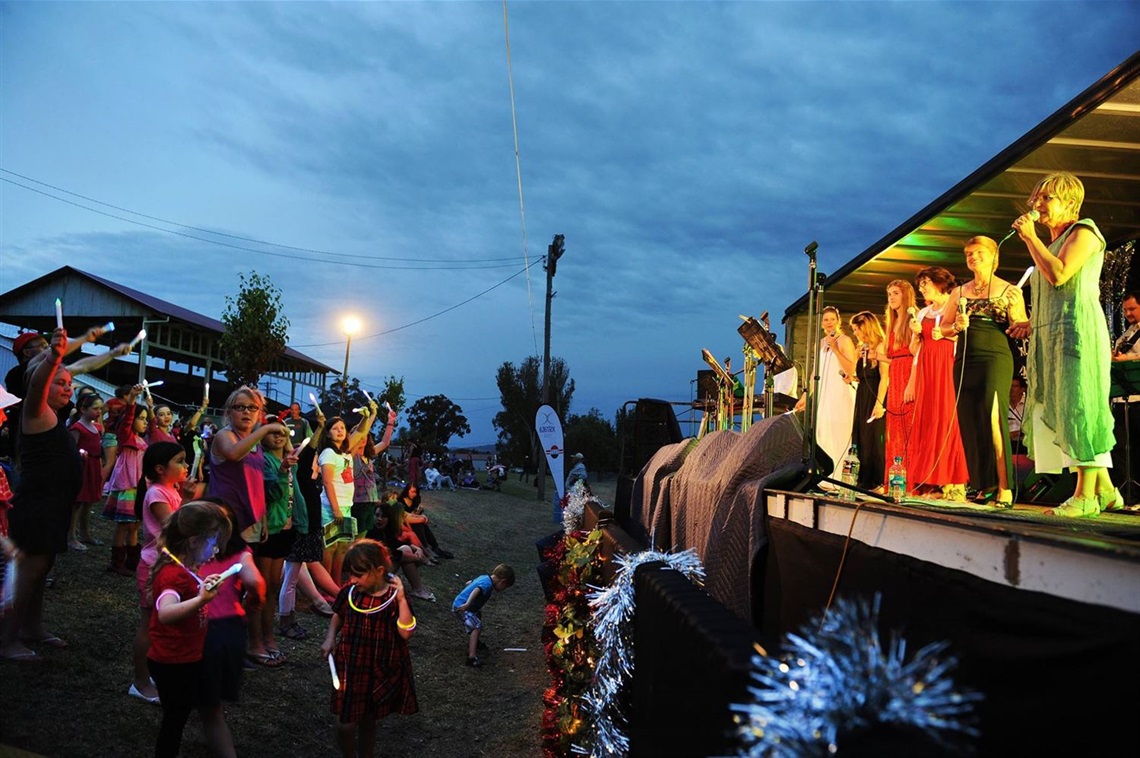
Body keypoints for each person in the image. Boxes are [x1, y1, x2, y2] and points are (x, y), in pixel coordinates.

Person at [1017, 172, 1117, 516]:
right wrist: (1030, 322)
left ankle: (1085, 496)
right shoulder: (1051, 241)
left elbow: (1060, 274)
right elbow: (1055, 292)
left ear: (1070, 202)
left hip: (1077, 333)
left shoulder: (1084, 231)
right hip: (1050, 334)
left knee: (1079, 407)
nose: (1037, 205)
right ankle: (1105, 489)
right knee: (1059, 409)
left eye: (1047, 198)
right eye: (1036, 198)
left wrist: (1030, 238)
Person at [0, 328, 82, 661]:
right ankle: (7, 638)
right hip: (37, 506)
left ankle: (32, 627)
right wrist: (53, 357)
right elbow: (36, 384)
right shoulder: (35, 413)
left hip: (55, 506)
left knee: (43, 566)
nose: (68, 388)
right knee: (29, 570)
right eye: (60, 383)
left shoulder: (55, 417)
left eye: (70, 384)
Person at [948, 236, 1031, 506]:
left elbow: (1019, 325)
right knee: (970, 422)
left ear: (995, 256)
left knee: (994, 418)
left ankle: (1005, 487)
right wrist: (956, 326)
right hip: (964, 358)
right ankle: (984, 485)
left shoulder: (1009, 290)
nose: (973, 257)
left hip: (995, 355)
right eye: (969, 253)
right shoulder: (958, 292)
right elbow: (945, 330)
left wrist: (1022, 322)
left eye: (979, 252)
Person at [146, 500, 231, 758]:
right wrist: (201, 600)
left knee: (181, 713)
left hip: (187, 657)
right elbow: (166, 612)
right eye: (212, 542)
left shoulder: (187, 569)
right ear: (193, 541)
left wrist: (201, 586)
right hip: (172, 663)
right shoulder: (173, 575)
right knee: (175, 719)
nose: (215, 550)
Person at [321, 539, 418, 758]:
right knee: (345, 724)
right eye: (350, 575)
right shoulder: (351, 591)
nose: (352, 580)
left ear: (379, 570)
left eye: (358, 574)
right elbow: (338, 613)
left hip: (379, 667)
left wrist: (402, 600)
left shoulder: (394, 598)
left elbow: (406, 632)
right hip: (351, 664)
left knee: (368, 721)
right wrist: (329, 638)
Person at [197, 500, 263, 753]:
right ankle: (209, 731)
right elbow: (254, 580)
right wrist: (254, 601)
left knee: (209, 709)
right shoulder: (240, 550)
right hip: (232, 630)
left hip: (204, 630)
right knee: (212, 702)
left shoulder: (192, 550)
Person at [131, 441, 193, 704]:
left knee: (162, 624)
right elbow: (175, 527)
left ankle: (154, 673)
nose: (186, 465)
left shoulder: (170, 489)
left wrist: (187, 498)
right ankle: (140, 682)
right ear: (160, 468)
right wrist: (192, 504)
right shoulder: (156, 494)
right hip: (154, 568)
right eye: (180, 460)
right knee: (149, 626)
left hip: (170, 566)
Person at [904, 267, 969, 499]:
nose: (922, 289)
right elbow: (914, 351)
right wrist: (915, 334)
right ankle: (929, 481)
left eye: (925, 284)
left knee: (948, 420)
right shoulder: (921, 314)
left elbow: (961, 337)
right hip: (926, 370)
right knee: (928, 422)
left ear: (940, 283)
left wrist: (947, 333)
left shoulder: (955, 306)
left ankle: (954, 481)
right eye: (920, 285)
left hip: (947, 366)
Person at [278, 409, 340, 641]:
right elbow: (311, 448)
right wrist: (321, 428)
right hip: (301, 529)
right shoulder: (299, 469)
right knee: (291, 578)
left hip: (308, 529)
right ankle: (286, 619)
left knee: (293, 575)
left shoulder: (307, 474)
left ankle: (294, 614)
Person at [794, 306, 857, 483]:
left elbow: (851, 368)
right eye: (825, 320)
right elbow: (816, 371)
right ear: (821, 323)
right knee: (823, 430)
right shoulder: (819, 343)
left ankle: (843, 478)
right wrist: (806, 395)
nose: (829, 323)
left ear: (838, 321)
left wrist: (835, 349)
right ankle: (827, 477)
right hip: (824, 391)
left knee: (840, 429)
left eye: (832, 319)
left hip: (840, 390)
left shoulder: (845, 340)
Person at [257, 417, 300, 665]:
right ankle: (262, 638)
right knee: (264, 588)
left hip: (286, 526)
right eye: (273, 432)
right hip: (270, 528)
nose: (279, 436)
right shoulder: (264, 460)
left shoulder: (289, 459)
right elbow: (271, 493)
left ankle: (267, 634)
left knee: (273, 585)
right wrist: (283, 470)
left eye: (283, 432)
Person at [319, 405, 379, 583]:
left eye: (342, 428)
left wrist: (368, 416)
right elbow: (327, 482)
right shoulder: (328, 453)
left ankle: (336, 584)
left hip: (345, 507)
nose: (340, 431)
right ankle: (325, 587)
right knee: (329, 548)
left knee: (342, 548)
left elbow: (361, 432)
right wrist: (336, 509)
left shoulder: (345, 452)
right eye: (335, 428)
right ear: (328, 433)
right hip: (330, 508)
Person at [101, 384, 149, 576]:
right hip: (127, 485)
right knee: (123, 525)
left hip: (138, 485)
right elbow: (128, 419)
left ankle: (132, 561)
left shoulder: (141, 440)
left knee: (135, 524)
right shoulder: (126, 436)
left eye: (146, 419)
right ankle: (117, 561)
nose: (145, 422)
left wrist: (150, 407)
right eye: (141, 419)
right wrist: (132, 401)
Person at [848, 312, 889, 492]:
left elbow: (885, 376)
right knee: (861, 436)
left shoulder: (880, 346)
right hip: (862, 393)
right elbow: (859, 373)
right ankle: (863, 480)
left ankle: (878, 480)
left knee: (875, 438)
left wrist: (880, 403)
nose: (855, 333)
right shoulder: (860, 348)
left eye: (857, 329)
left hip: (875, 394)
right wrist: (852, 378)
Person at [882, 280, 917, 488]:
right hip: (895, 375)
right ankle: (895, 480)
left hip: (909, 374)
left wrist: (911, 382)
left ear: (905, 295)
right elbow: (892, 356)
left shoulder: (913, 317)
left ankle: (910, 479)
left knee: (908, 429)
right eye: (889, 294)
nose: (892, 297)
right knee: (894, 430)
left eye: (895, 293)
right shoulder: (892, 321)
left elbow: (916, 353)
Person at [367, 499, 433, 601]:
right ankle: (418, 589)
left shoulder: (387, 531)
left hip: (381, 570)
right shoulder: (371, 533)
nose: (379, 519)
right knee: (405, 552)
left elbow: (397, 544)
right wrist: (416, 557)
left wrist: (415, 548)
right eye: (377, 515)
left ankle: (418, 590)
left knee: (406, 548)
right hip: (371, 575)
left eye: (383, 516)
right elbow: (394, 554)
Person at [451, 564, 515, 668]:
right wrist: (467, 604)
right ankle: (471, 658)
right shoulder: (487, 584)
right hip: (462, 608)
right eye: (505, 587)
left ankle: (475, 641)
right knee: (477, 627)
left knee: (477, 616)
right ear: (502, 582)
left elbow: (470, 583)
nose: (504, 589)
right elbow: (476, 590)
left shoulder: (484, 577)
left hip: (466, 606)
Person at [1110, 291, 1140, 506]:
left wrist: (1127, 359)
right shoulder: (1126, 334)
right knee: (1120, 447)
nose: (1128, 313)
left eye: (1132, 309)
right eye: (1126, 310)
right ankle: (1128, 494)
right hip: (1123, 399)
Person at [68, 391, 106, 550]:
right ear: (83, 409)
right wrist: (80, 457)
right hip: (82, 468)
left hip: (94, 467)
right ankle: (71, 536)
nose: (99, 412)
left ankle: (85, 533)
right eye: (96, 408)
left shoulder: (96, 427)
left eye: (100, 409)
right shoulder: (77, 428)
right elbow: (71, 450)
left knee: (89, 502)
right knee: (76, 503)